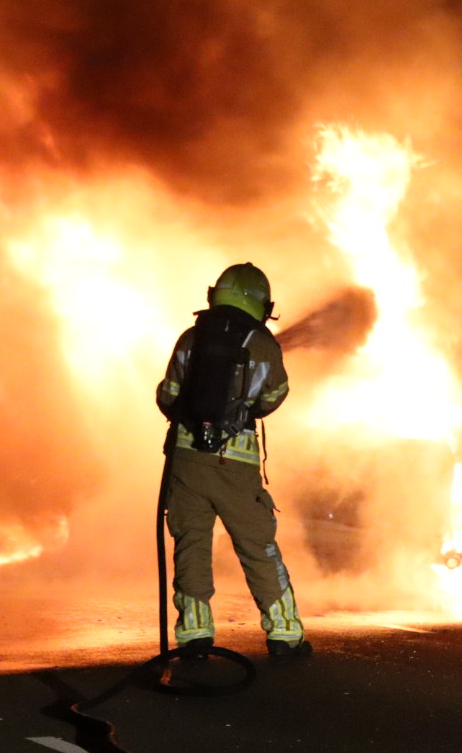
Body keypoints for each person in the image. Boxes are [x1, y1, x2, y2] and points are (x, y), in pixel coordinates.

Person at [156, 262, 311, 659]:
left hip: (186, 462)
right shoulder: (262, 343)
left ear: (215, 295)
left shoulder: (191, 338)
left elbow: (168, 395)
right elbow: (274, 397)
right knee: (258, 546)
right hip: (234, 465)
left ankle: (194, 634)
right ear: (262, 303)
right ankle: (284, 634)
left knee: (190, 543)